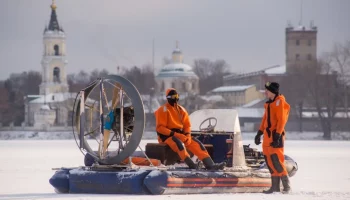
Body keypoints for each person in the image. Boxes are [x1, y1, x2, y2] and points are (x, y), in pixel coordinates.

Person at [154, 88, 226, 170]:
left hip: (181, 135)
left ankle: (210, 164)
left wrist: (188, 135)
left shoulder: (182, 110)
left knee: (198, 144)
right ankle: (191, 165)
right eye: (173, 96)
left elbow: (187, 126)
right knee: (179, 144)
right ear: (168, 97)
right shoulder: (162, 110)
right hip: (167, 136)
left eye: (176, 96)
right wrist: (176, 135)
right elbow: (160, 128)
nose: (175, 98)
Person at [254, 82, 291, 194]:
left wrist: (278, 135)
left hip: (276, 135)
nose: (265, 92)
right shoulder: (269, 104)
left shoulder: (280, 102)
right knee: (269, 161)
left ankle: (286, 187)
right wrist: (259, 133)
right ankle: (274, 187)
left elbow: (282, 120)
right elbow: (264, 120)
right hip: (267, 136)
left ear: (273, 91)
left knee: (277, 160)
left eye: (267, 90)